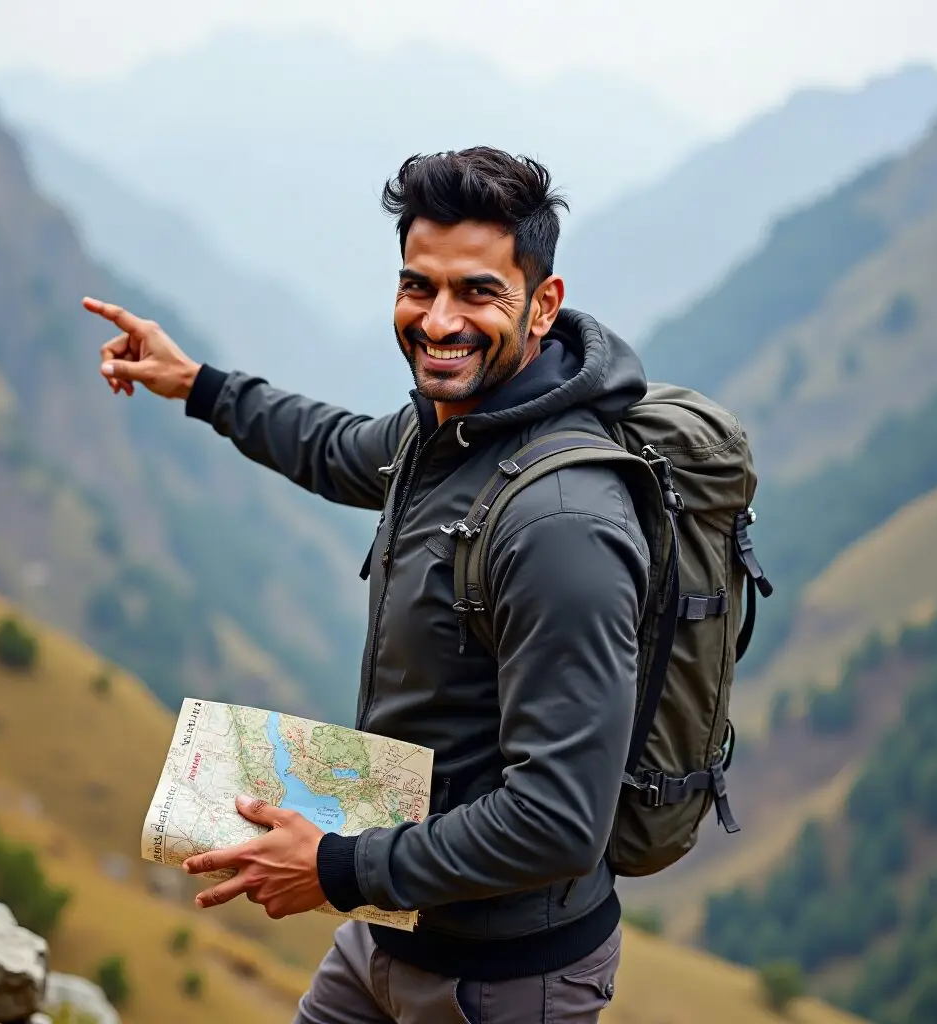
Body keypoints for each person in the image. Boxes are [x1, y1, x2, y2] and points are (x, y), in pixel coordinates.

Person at [83, 146, 650, 1023]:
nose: (438, 321)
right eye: (418, 286)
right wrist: (196, 383)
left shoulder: (563, 527)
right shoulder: (447, 432)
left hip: (504, 981)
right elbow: (333, 445)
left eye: (477, 292)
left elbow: (558, 820)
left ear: (544, 304)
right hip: (390, 932)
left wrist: (336, 868)